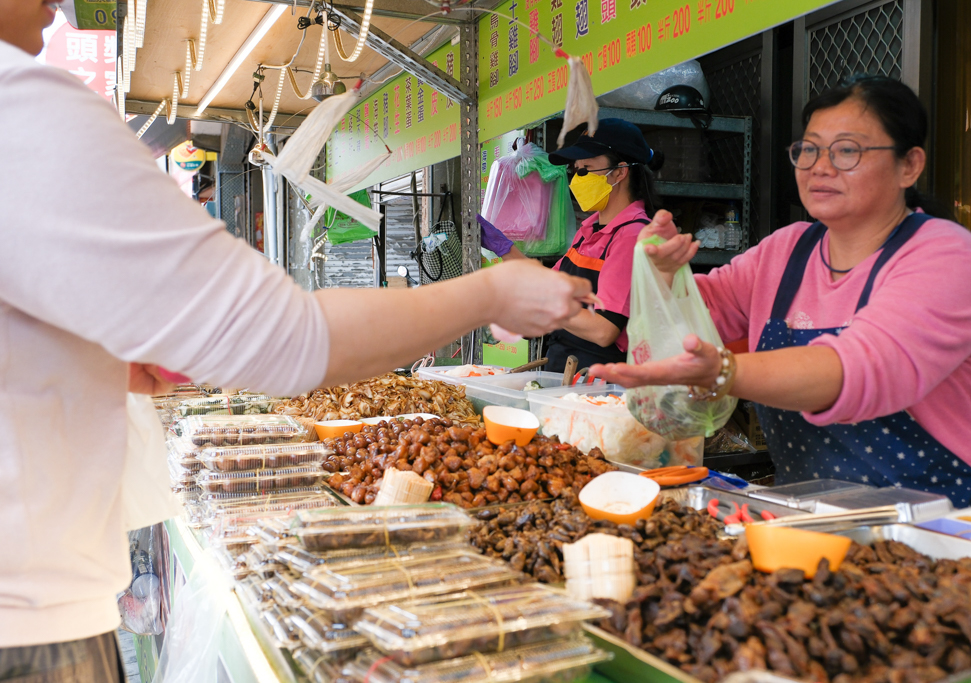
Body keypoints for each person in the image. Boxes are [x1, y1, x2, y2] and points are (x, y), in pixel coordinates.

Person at [0, 6, 593, 681]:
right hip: (24, 623)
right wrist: (489, 294)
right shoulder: (22, 105)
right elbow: (282, 338)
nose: (57, 4)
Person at [593, 75, 971, 507]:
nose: (819, 167)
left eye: (847, 150)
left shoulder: (946, 257)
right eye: (808, 149)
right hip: (810, 519)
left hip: (941, 531)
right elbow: (697, 317)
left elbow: (860, 369)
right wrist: (662, 277)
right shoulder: (786, 251)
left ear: (910, 165)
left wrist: (725, 373)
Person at [542, 118, 664, 373]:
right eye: (575, 170)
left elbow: (603, 330)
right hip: (565, 373)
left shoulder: (632, 236)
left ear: (620, 172)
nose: (577, 178)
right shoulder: (588, 229)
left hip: (601, 385)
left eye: (586, 169)